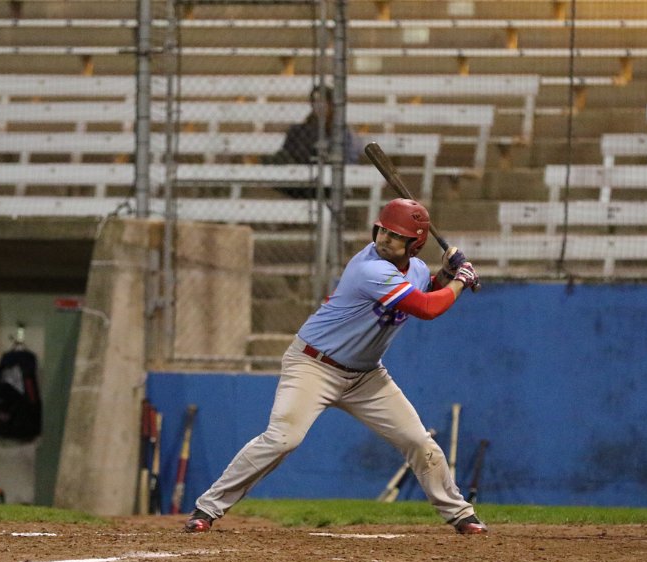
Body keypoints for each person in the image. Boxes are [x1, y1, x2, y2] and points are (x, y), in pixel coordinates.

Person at [184, 198, 488, 535]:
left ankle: (460, 514)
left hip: (366, 376)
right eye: (383, 231)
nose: (385, 239)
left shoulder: (414, 269)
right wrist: (461, 280)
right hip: (314, 365)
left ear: (414, 244)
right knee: (282, 439)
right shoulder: (370, 268)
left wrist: (446, 274)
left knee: (418, 441)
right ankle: (207, 508)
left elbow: (427, 289)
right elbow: (427, 308)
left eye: (396, 236)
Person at [262, 84, 362, 198]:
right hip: (302, 175)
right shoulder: (300, 129)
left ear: (331, 104)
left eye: (323, 102)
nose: (318, 106)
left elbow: (349, 159)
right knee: (277, 158)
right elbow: (288, 152)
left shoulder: (342, 131)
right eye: (315, 102)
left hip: (327, 178)